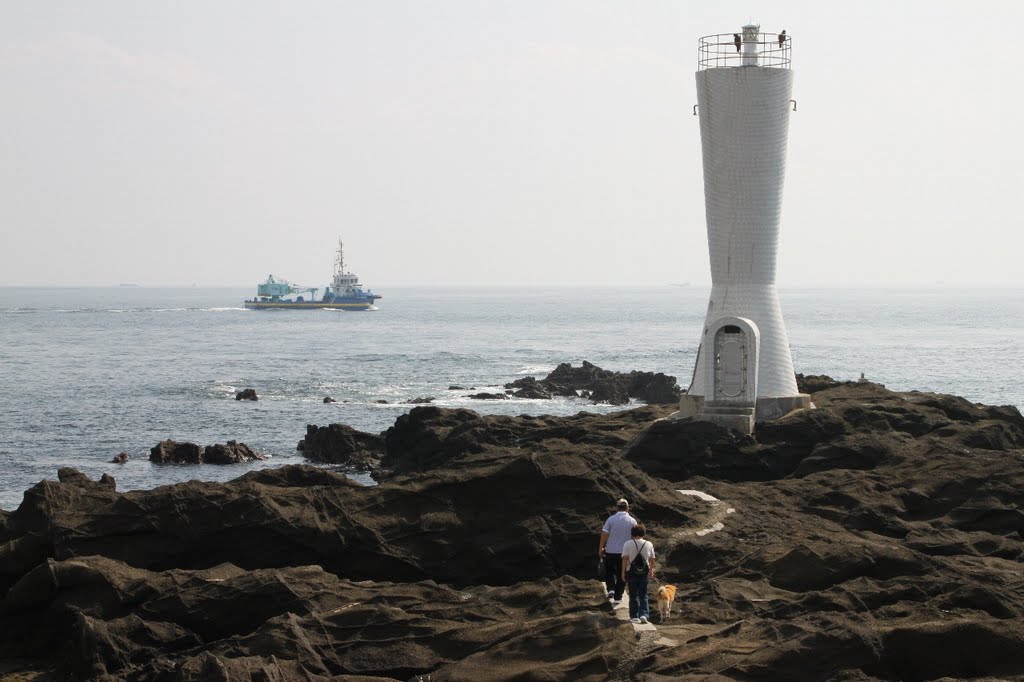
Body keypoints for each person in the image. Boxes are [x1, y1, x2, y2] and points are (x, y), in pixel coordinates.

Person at [598, 498, 637, 602]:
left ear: (617, 508)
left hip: (610, 550)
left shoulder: (611, 519)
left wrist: (601, 547)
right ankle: (618, 596)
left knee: (610, 571)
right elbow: (635, 537)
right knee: (622, 574)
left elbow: (605, 534)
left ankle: (611, 589)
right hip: (625, 553)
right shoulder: (632, 521)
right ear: (627, 508)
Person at [621, 524, 656, 624]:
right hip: (644, 572)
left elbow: (624, 559)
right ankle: (644, 614)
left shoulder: (627, 544)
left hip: (631, 572)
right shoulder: (648, 544)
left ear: (632, 533)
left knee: (633, 594)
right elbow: (652, 559)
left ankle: (634, 616)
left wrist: (623, 573)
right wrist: (651, 570)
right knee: (643, 594)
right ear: (643, 533)